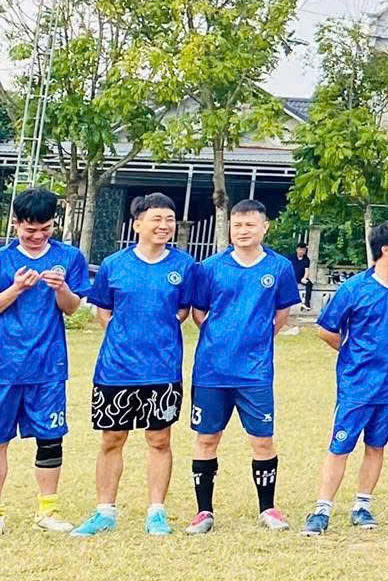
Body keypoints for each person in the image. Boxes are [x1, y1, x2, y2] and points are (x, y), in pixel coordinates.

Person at [74, 193, 194, 538]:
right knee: (112, 439)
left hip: (162, 369)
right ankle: (104, 512)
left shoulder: (184, 266)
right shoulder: (114, 264)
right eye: (157, 219)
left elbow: (184, 309)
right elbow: (103, 309)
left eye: (169, 219)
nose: (164, 225)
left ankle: (156, 512)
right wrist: (123, 335)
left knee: (159, 439)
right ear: (137, 224)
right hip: (116, 370)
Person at [183, 199, 301, 533]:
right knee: (207, 438)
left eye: (250, 225)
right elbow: (199, 312)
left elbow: (281, 314)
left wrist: (256, 339)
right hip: (211, 371)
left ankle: (268, 508)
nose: (243, 231)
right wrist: (221, 337)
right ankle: (204, 512)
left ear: (264, 227)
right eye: (237, 225)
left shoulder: (279, 268)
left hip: (254, 372)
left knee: (262, 440)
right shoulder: (210, 267)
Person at [303, 220, 388, 535]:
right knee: (340, 446)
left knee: (376, 445)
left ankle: (362, 505)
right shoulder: (354, 288)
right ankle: (321, 509)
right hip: (356, 385)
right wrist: (351, 355)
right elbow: (326, 329)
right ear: (386, 250)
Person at [0, 187, 89, 532]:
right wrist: (16, 289)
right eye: (30, 230)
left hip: (49, 365)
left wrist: (61, 289)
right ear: (15, 223)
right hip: (5, 366)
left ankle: (47, 511)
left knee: (50, 440)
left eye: (46, 229)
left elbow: (73, 308)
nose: (38, 236)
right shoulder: (4, 259)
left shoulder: (69, 257)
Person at [292, 244, 312, 309]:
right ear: (297, 250)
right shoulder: (291, 258)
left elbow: (307, 270)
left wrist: (304, 278)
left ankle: (307, 303)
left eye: (303, 250)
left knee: (309, 284)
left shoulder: (306, 259)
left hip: (301, 277)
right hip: (292, 277)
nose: (301, 251)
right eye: (300, 250)